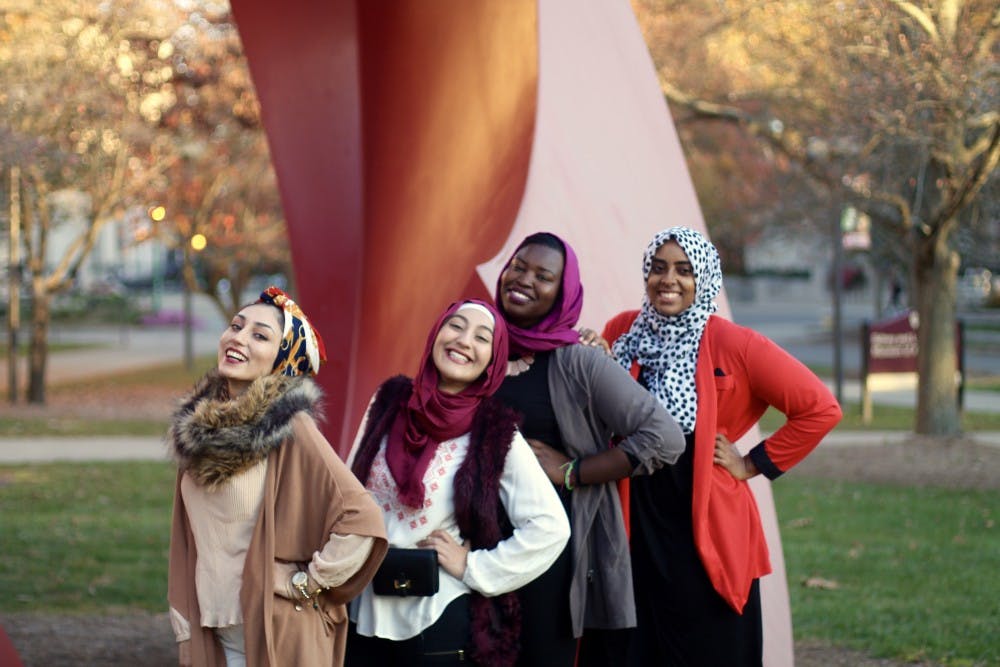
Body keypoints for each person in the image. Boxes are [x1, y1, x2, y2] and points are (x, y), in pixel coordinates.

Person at [603, 227, 843, 666]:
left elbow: (819, 408)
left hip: (706, 527)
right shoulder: (623, 331)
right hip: (637, 524)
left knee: (712, 649)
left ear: (705, 277)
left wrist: (752, 463)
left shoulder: (735, 344)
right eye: (658, 268)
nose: (668, 279)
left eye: (684, 270)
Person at [492, 232, 686, 667]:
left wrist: (573, 471)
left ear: (563, 292)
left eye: (544, 276)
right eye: (519, 266)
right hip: (473, 546)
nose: (524, 280)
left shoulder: (578, 362)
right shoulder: (479, 346)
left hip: (548, 554)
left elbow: (664, 437)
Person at [167, 287, 389, 667]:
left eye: (260, 335)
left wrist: (304, 582)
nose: (238, 337)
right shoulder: (200, 431)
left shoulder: (289, 427)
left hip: (276, 633)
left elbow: (362, 520)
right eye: (236, 326)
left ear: (282, 360)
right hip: (216, 632)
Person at [345, 300, 571, 666]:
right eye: (456, 326)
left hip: (436, 618)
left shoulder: (496, 432)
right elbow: (349, 490)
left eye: (482, 337)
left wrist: (473, 567)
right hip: (363, 606)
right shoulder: (388, 401)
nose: (464, 340)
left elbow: (551, 527)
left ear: (492, 360)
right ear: (437, 333)